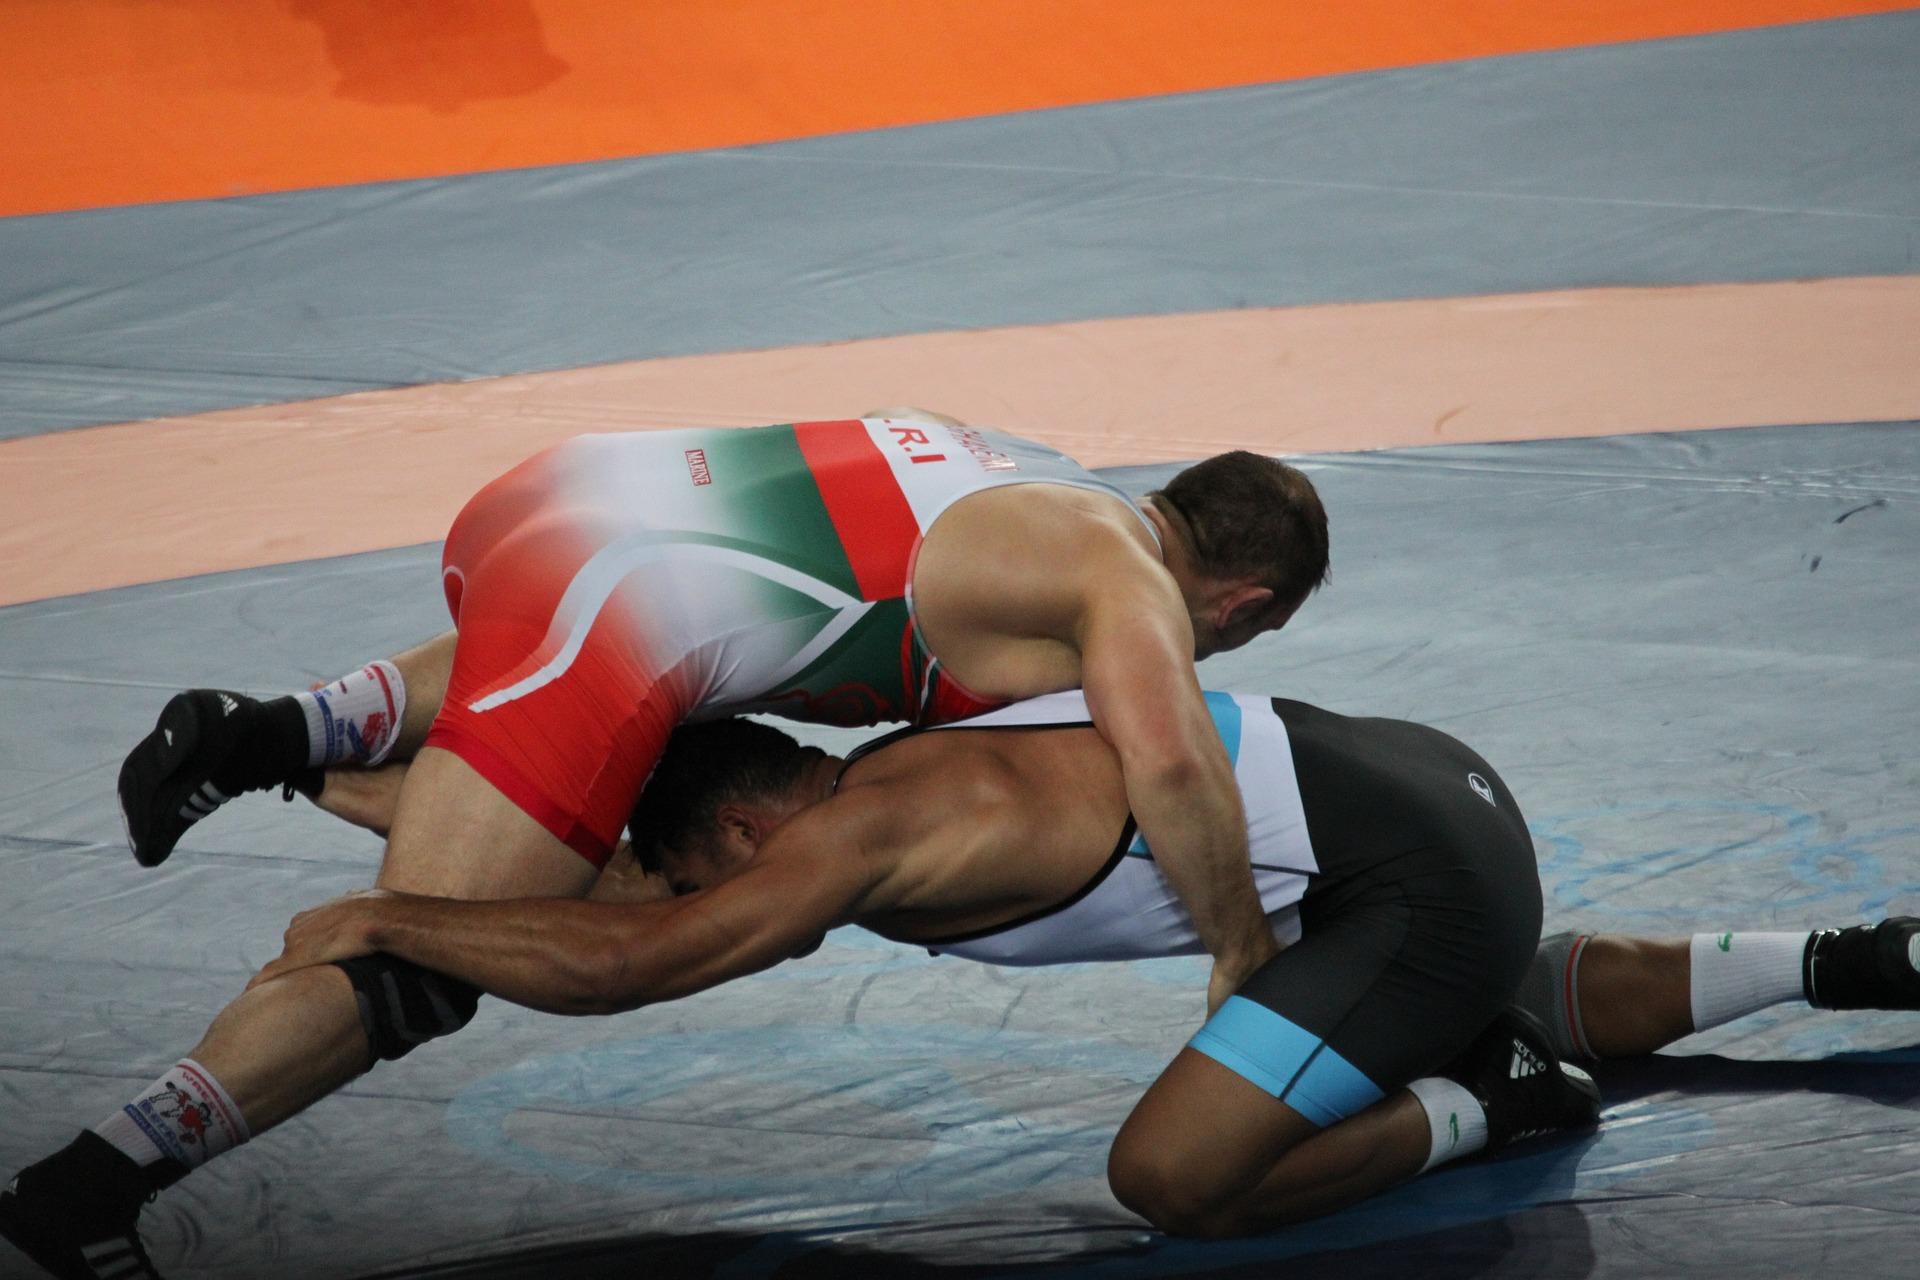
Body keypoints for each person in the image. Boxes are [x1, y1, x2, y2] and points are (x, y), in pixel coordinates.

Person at [13, 694, 1913, 1276]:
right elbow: (595, 870)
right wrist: (304, 777)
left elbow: (641, 962)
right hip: (1413, 786)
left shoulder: (868, 839)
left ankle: (1500, 1097)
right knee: (1464, 961)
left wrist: (391, 926)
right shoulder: (844, 769)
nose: (665, 888)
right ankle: (1846, 959)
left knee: (1172, 1179)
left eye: (691, 871)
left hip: (1406, 883)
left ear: (746, 837)